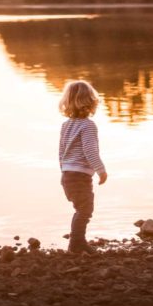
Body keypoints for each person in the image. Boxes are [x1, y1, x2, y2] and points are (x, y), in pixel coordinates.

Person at [58, 80, 108, 254]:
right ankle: (76, 243)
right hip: (79, 176)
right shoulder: (88, 125)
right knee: (85, 209)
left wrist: (63, 172)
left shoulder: (66, 126)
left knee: (81, 209)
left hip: (67, 175)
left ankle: (77, 241)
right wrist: (101, 170)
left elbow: (61, 151)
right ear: (91, 102)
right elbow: (90, 150)